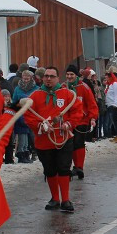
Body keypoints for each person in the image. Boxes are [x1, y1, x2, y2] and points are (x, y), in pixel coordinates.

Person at [22, 67, 77, 213]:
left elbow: (76, 111)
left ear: (58, 78)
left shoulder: (67, 94)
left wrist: (69, 124)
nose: (48, 79)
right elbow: (28, 115)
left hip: (63, 138)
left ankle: (65, 199)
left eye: (52, 76)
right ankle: (55, 199)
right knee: (50, 170)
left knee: (64, 168)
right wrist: (40, 125)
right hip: (44, 140)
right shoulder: (35, 96)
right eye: (46, 76)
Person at [66, 66, 98, 178]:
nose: (69, 76)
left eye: (72, 74)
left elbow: (91, 103)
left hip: (81, 120)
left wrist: (93, 117)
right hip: (67, 121)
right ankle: (70, 167)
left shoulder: (84, 87)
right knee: (69, 144)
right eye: (68, 74)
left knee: (78, 142)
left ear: (76, 75)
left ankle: (79, 167)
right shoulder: (63, 87)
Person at [10, 70, 37, 163]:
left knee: (33, 136)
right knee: (23, 135)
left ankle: (33, 153)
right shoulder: (18, 89)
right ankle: (22, 154)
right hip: (21, 115)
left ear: (31, 78)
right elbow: (14, 101)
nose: (25, 80)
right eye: (24, 78)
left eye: (27, 78)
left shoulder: (36, 88)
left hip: (33, 114)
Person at [103, 72, 117, 139]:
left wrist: (115, 104)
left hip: (114, 105)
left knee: (116, 122)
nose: (106, 79)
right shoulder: (109, 85)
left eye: (107, 78)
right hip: (110, 105)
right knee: (114, 122)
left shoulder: (115, 84)